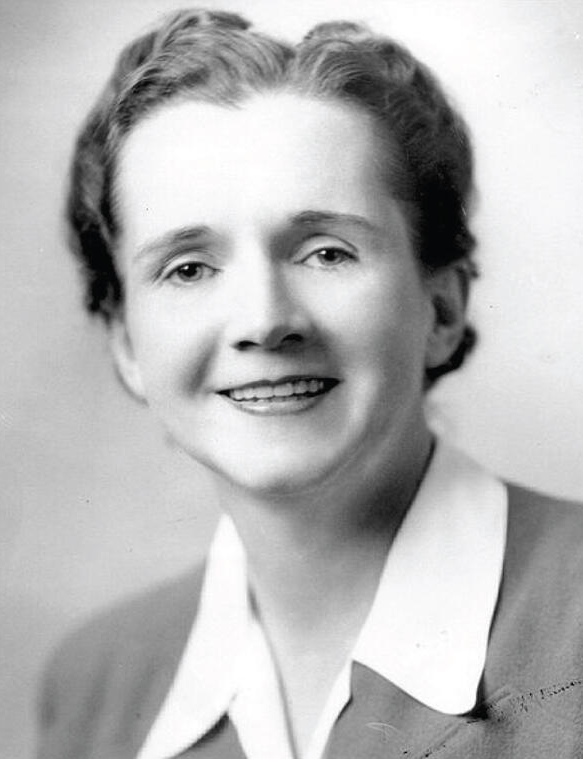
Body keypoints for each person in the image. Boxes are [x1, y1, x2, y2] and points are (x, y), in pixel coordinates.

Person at [37, 8, 583, 759]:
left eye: (326, 252)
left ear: (444, 306)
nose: (264, 320)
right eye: (188, 267)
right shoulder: (94, 687)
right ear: (128, 342)